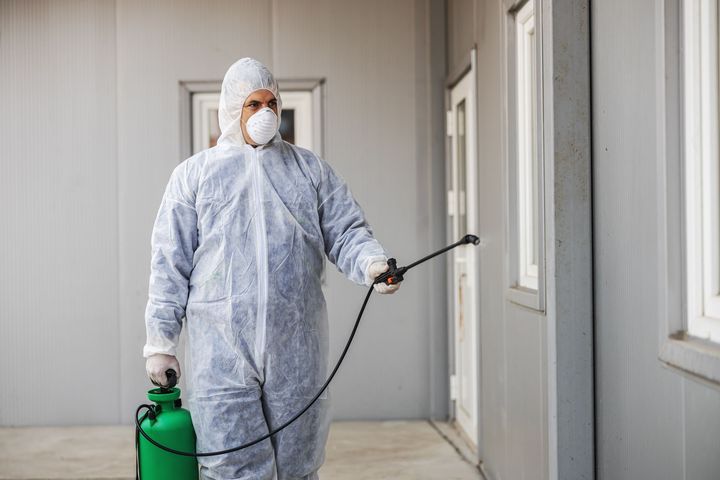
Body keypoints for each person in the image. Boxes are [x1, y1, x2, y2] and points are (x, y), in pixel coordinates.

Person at [143, 57, 400, 480]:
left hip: (295, 352)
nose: (265, 114)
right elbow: (169, 262)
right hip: (221, 355)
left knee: (297, 465)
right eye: (252, 104)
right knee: (230, 466)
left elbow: (346, 228)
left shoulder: (309, 170)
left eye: (271, 103)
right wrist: (160, 341)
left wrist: (372, 263)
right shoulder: (195, 177)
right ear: (231, 110)